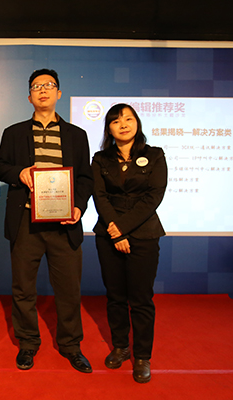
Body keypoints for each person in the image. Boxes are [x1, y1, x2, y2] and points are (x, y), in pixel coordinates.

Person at [0, 68, 94, 373]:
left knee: (69, 289)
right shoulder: (13, 132)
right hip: (26, 220)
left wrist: (78, 207)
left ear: (58, 93)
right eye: (36, 86)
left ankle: (71, 345)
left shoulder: (77, 135)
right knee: (23, 288)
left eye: (49, 85)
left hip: (65, 224)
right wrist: (20, 172)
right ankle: (28, 342)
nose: (42, 90)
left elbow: (85, 177)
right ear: (29, 96)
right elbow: (0, 167)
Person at [91, 103, 167, 383]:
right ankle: (120, 346)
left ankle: (142, 356)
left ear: (137, 123)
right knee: (115, 296)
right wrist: (116, 232)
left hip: (144, 234)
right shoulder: (100, 159)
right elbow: (99, 196)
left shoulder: (155, 155)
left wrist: (122, 229)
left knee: (141, 299)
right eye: (115, 121)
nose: (123, 124)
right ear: (108, 129)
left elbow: (154, 196)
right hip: (108, 235)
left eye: (128, 119)